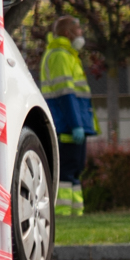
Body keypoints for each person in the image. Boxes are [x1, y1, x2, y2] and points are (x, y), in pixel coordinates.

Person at [40, 13, 92, 205]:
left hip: (71, 123)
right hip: (67, 124)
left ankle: (76, 213)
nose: (81, 33)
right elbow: (65, 94)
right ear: (68, 32)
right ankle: (64, 213)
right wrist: (76, 124)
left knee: (75, 169)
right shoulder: (60, 56)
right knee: (67, 171)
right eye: (78, 29)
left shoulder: (66, 55)